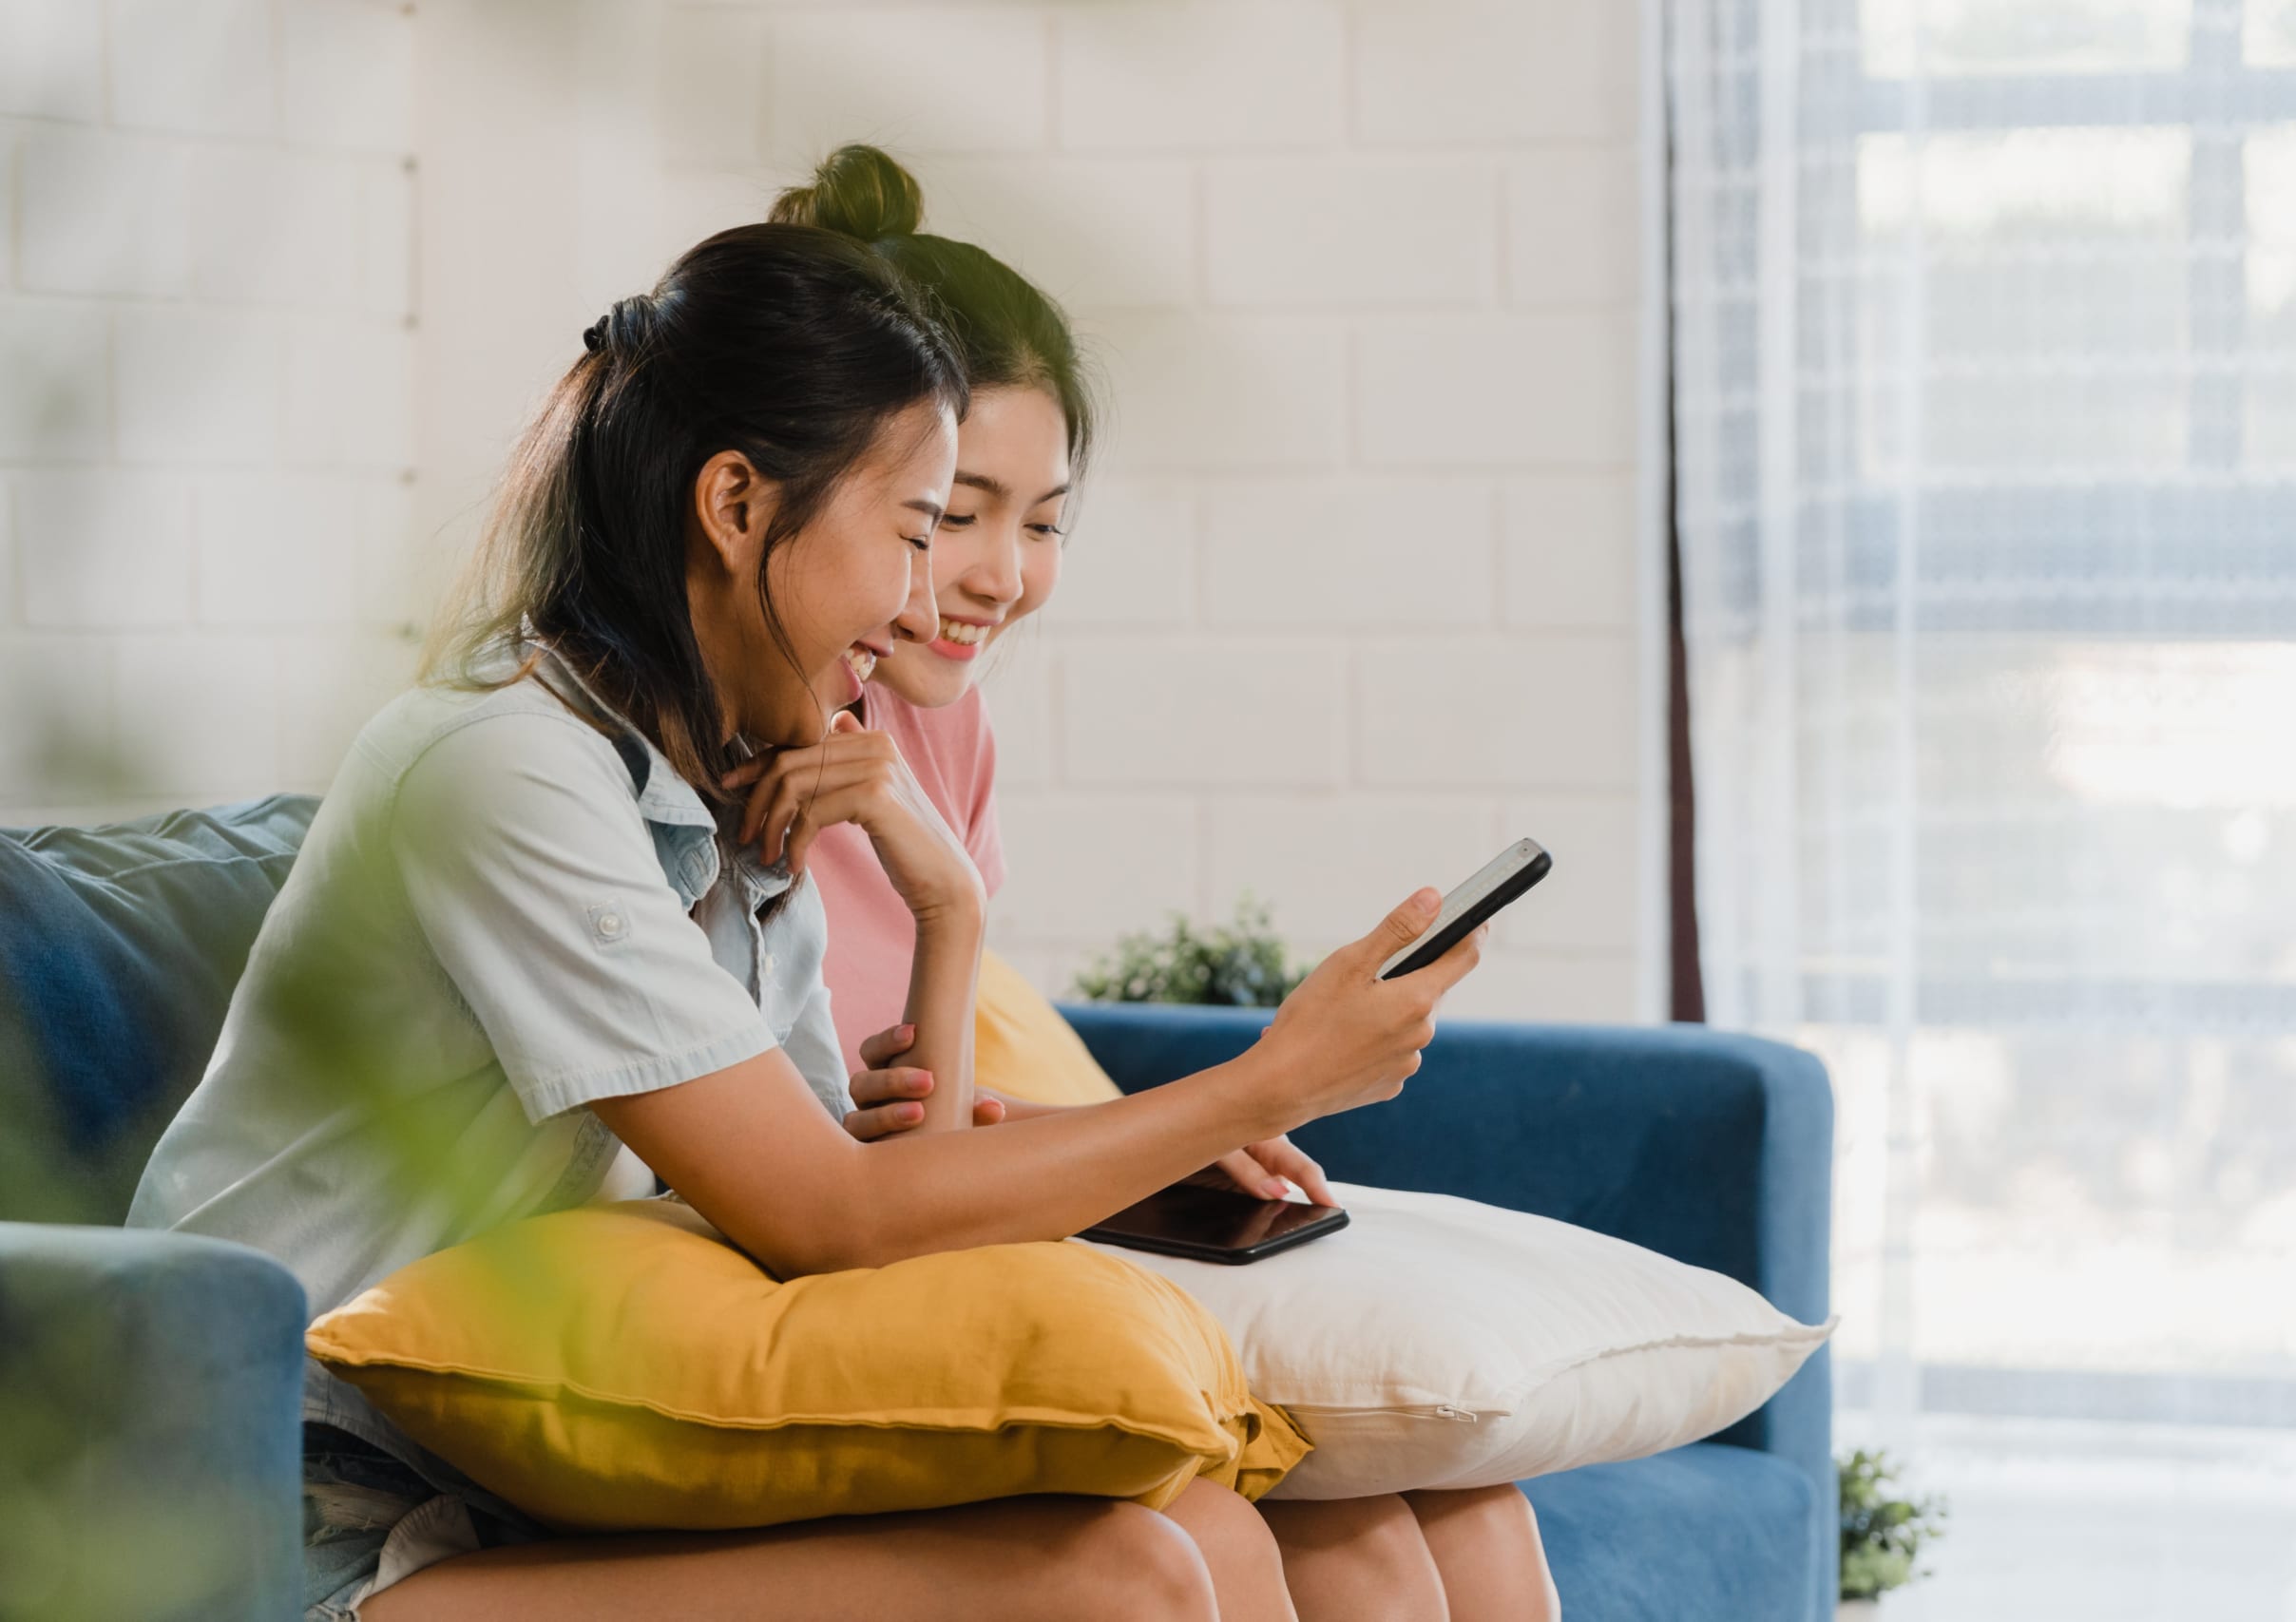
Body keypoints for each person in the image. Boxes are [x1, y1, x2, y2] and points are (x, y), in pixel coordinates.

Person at [126, 207, 1483, 1622]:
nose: (915, 603)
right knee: (1120, 1581)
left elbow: (865, 1220)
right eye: (917, 530)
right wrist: (1260, 1085)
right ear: (735, 506)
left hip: (514, 1473)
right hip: (276, 1514)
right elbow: (834, 1218)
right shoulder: (501, 772)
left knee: (1216, 1528)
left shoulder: (734, 803)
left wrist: (949, 910)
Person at [781, 146, 1561, 1622]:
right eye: (953, 514)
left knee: (1445, 1510)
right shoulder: (737, 754)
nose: (1002, 573)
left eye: (1046, 518)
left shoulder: (937, 733)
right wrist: (1253, 1090)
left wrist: (1128, 1154)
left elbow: (923, 1133)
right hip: (799, 1302)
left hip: (919, 1259)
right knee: (1269, 1533)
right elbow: (832, 1192)